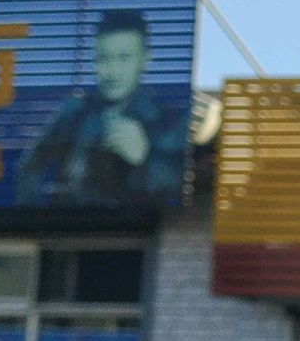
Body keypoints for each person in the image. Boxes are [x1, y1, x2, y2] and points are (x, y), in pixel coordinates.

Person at [16, 10, 188, 206]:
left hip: (135, 233)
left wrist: (145, 158)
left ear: (146, 59)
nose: (112, 71)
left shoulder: (171, 122)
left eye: (123, 58)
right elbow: (30, 165)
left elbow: (183, 186)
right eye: (103, 58)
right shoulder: (75, 112)